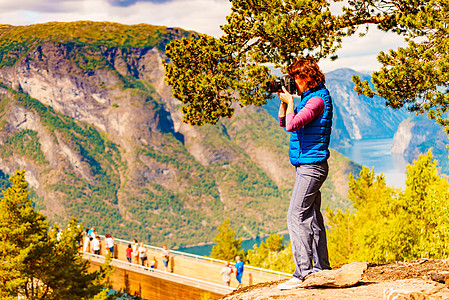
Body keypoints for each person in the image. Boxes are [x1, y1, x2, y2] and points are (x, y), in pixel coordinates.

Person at [276, 56, 333, 290]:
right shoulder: (310, 98)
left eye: (296, 78)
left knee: (295, 216)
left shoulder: (317, 100)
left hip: (311, 168)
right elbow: (283, 122)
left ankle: (302, 274)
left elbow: (292, 125)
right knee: (311, 218)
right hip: (307, 166)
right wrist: (284, 103)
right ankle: (322, 269)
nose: (293, 82)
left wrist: (291, 103)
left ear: (308, 77)